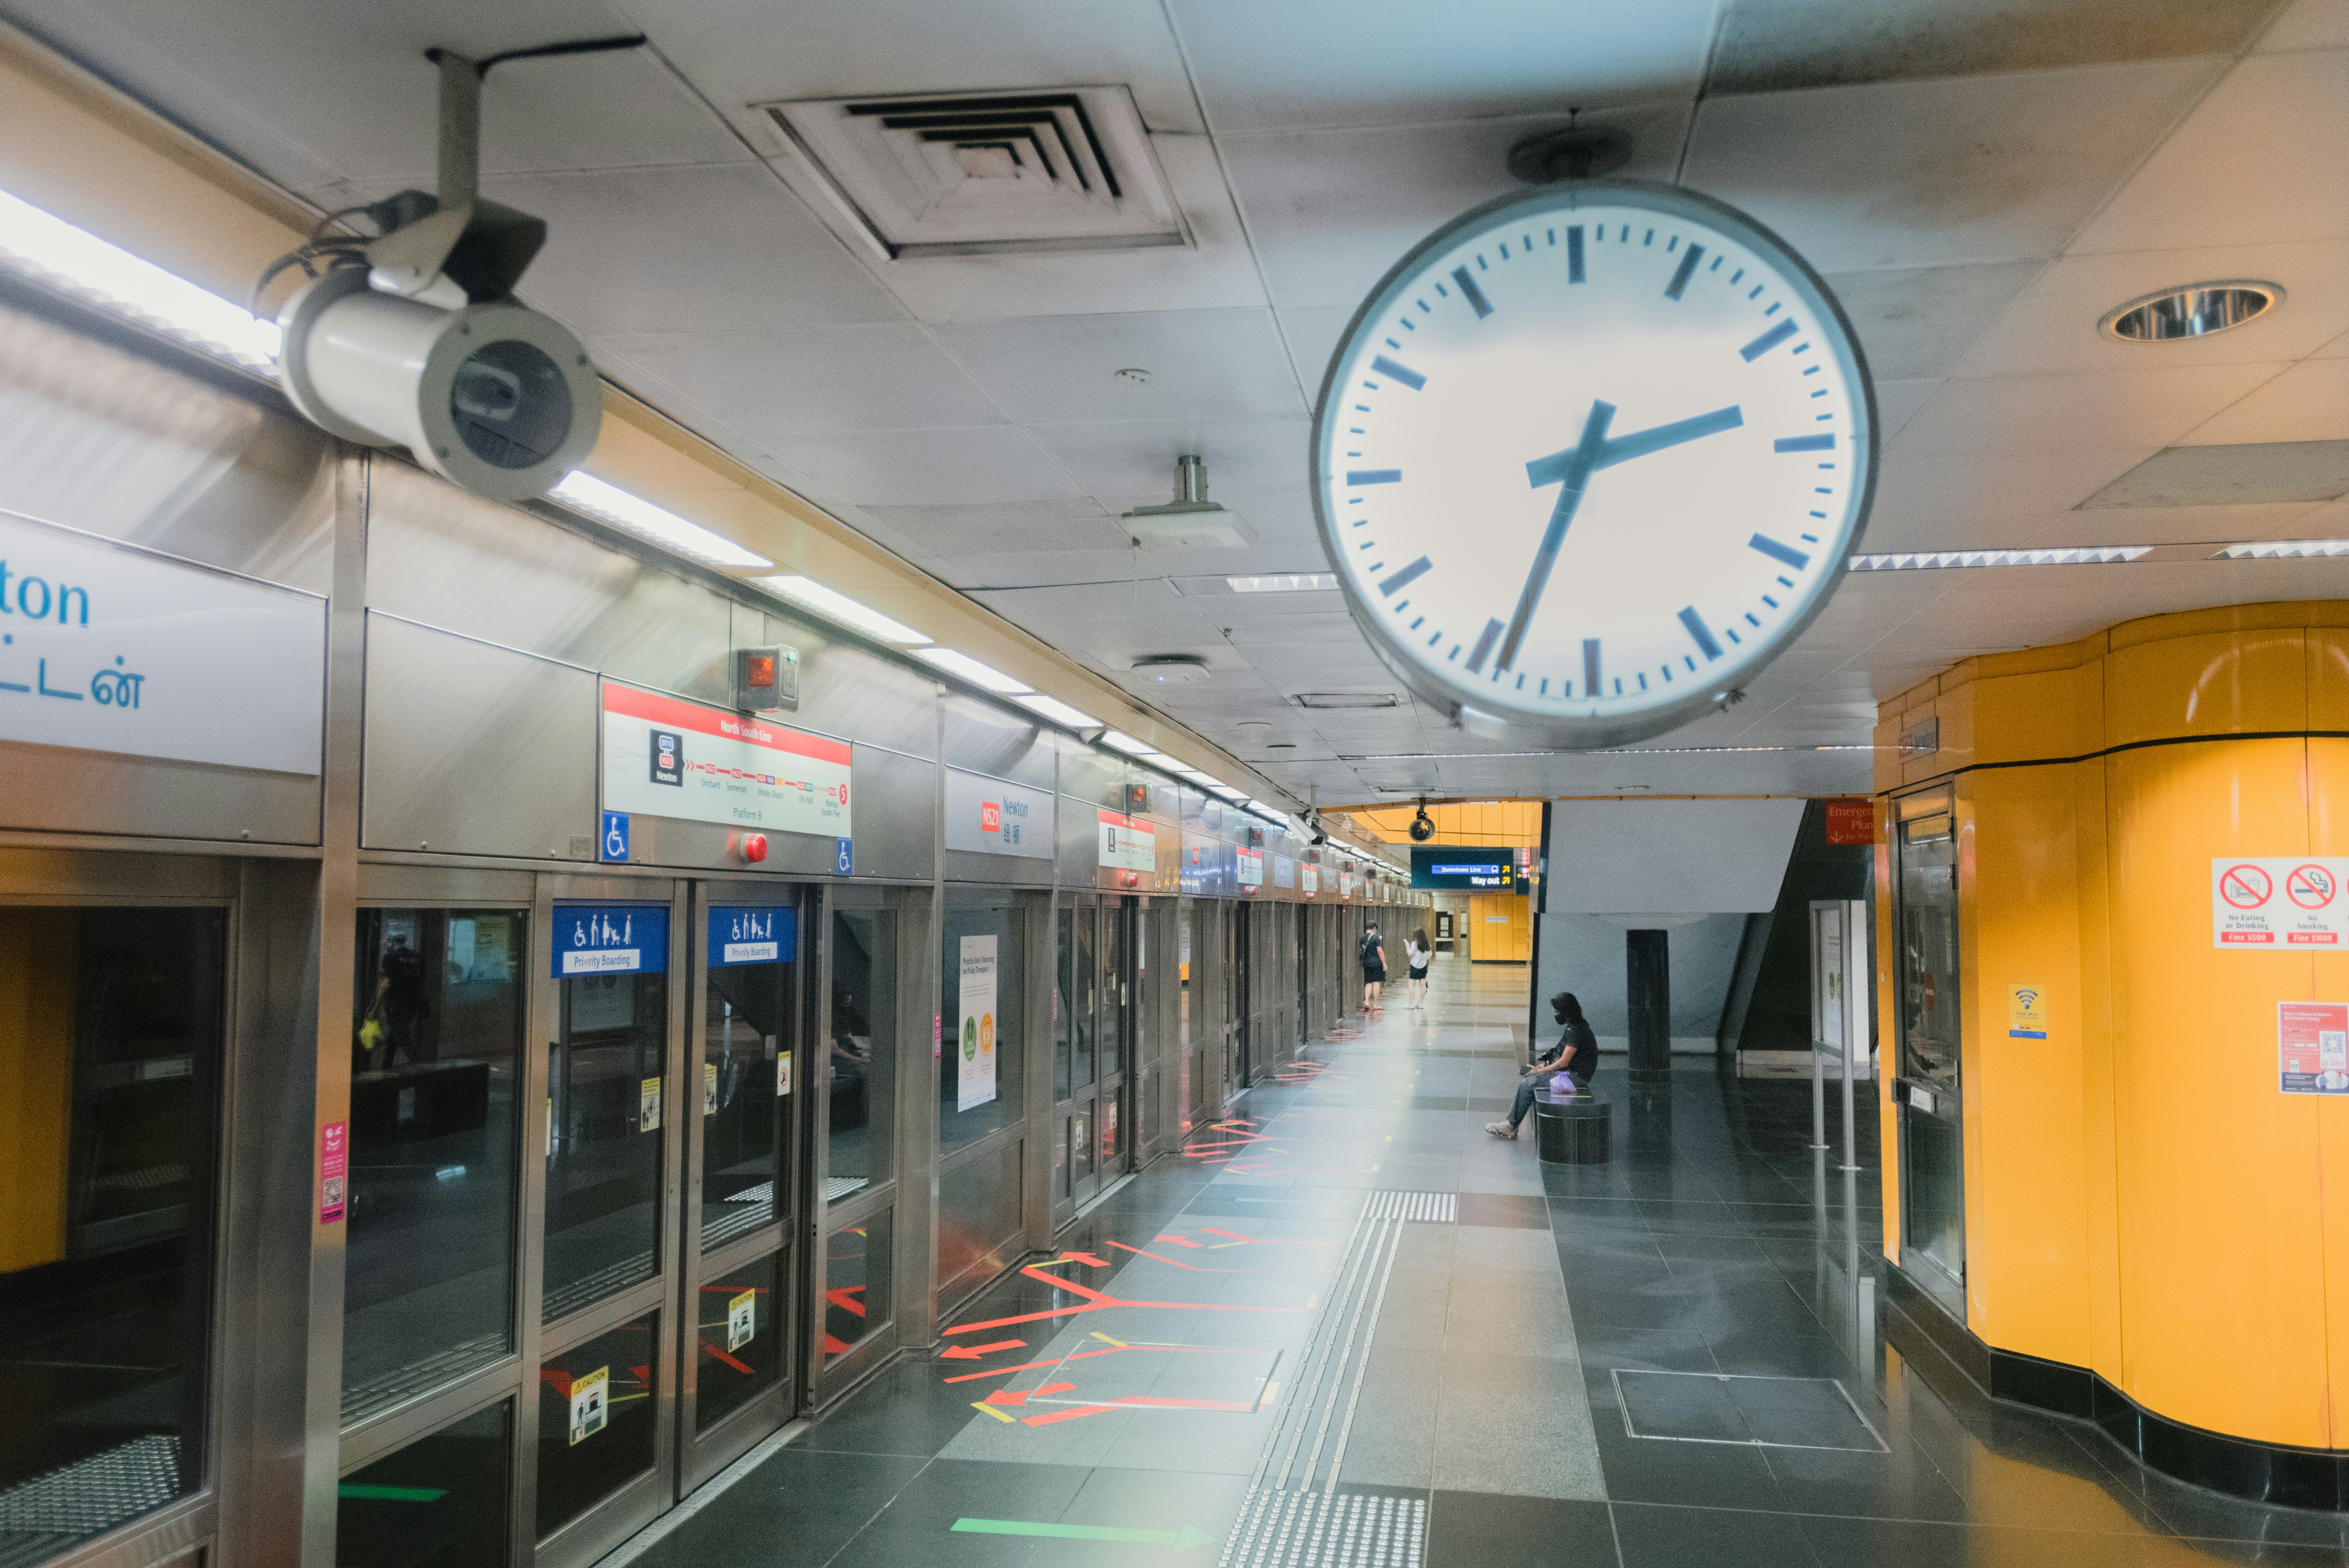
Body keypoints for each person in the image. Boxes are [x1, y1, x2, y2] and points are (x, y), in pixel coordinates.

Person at [1488, 991, 1598, 1140]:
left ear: (1566, 1012)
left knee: (1528, 1084)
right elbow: (1559, 1056)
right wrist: (1539, 1069)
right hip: (1571, 1074)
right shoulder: (1575, 1026)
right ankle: (1511, 1124)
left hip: (1575, 1078)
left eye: (1557, 1011)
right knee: (1530, 1079)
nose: (1556, 1014)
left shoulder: (1576, 1031)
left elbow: (1563, 1062)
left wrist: (1538, 1072)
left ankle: (1511, 1126)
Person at [1358, 923, 1387, 1010]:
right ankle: (1376, 1004)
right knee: (1376, 983)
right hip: (1376, 963)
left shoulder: (1362, 938)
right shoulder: (1376, 938)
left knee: (1368, 983)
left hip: (1366, 963)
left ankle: (1367, 1002)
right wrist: (1384, 964)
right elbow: (1380, 951)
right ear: (1374, 928)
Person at [1404, 928, 1431, 1007]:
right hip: (1424, 966)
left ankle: (1411, 1003)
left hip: (1415, 966)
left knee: (1411, 984)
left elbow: (1410, 954)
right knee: (1423, 985)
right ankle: (1421, 1004)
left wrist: (1407, 946)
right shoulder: (1427, 944)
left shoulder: (1415, 944)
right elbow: (1429, 955)